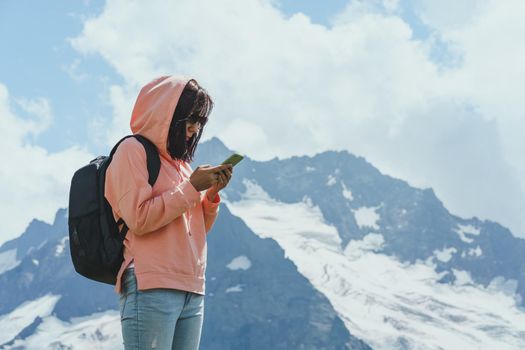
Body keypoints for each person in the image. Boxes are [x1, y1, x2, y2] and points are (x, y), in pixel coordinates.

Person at [104, 75, 233, 349]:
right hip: (151, 284)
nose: (194, 129)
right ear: (167, 115)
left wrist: (209, 196)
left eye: (199, 122)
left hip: (191, 287)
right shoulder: (132, 150)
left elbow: (190, 231)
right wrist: (191, 188)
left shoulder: (182, 166)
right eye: (190, 120)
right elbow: (139, 219)